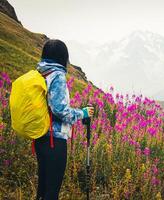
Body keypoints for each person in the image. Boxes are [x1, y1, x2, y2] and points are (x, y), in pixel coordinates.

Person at [35, 39, 94, 200]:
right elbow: (60, 110)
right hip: (55, 140)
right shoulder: (58, 76)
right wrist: (83, 113)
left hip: (40, 136)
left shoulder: (40, 72)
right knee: (52, 190)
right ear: (63, 57)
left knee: (43, 187)